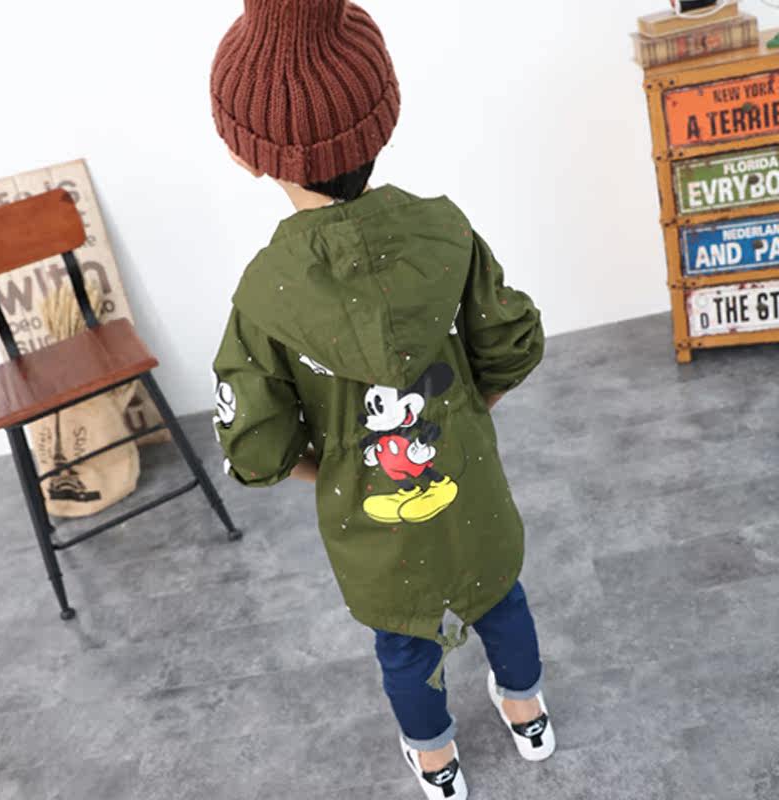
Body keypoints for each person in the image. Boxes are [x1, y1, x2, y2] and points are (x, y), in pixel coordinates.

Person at [210, 2, 555, 797]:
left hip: (372, 528)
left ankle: (436, 762)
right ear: (384, 116)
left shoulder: (263, 297)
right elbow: (511, 344)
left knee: (404, 643)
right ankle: (528, 713)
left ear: (246, 154)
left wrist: (335, 465)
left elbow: (257, 449)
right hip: (472, 493)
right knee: (502, 599)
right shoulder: (446, 232)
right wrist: (464, 411)